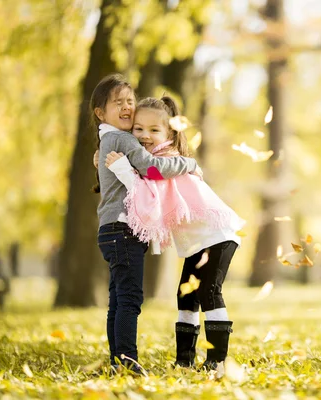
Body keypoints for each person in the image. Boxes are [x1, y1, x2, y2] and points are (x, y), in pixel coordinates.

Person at [104, 95, 244, 370]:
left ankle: (217, 360)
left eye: (154, 130)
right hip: (197, 243)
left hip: (217, 236)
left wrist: (123, 170)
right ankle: (184, 360)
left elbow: (149, 193)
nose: (145, 136)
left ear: (169, 134)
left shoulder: (167, 161)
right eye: (138, 129)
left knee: (209, 291)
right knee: (186, 296)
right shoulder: (152, 160)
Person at [91, 74, 200, 373]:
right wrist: (189, 163)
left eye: (129, 100)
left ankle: (118, 360)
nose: (127, 107)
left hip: (111, 229)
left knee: (118, 299)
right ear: (101, 113)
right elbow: (153, 168)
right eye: (118, 103)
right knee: (129, 299)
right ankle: (126, 361)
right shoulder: (122, 139)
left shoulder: (109, 139)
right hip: (123, 229)